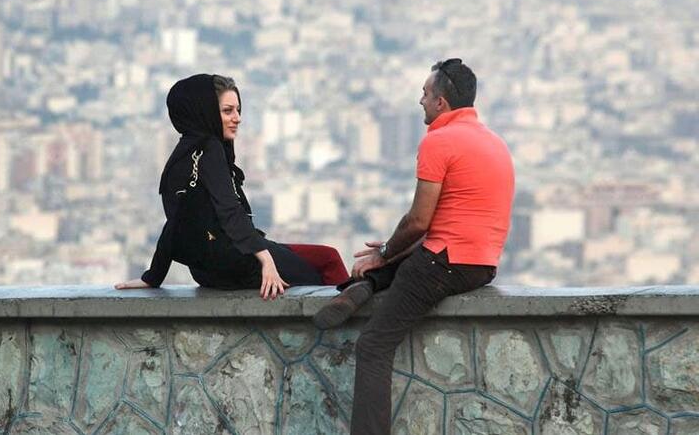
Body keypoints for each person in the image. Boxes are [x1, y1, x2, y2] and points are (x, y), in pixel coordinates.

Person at [313, 59, 515, 434]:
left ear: (440, 102)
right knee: (409, 259)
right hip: (482, 265)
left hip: (443, 263)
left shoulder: (439, 141)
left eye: (424, 93)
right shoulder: (493, 142)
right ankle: (364, 287)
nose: (420, 100)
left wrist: (384, 252)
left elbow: (419, 221)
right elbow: (443, 225)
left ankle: (365, 284)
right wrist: (393, 251)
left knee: (373, 345)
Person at [115, 74, 348, 299]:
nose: (237, 118)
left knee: (327, 256)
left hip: (207, 269)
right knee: (319, 274)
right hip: (237, 260)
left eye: (238, 110)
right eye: (227, 111)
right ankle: (350, 320)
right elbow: (230, 210)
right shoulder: (210, 149)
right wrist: (266, 260)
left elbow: (176, 220)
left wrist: (153, 276)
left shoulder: (183, 154)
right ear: (206, 112)